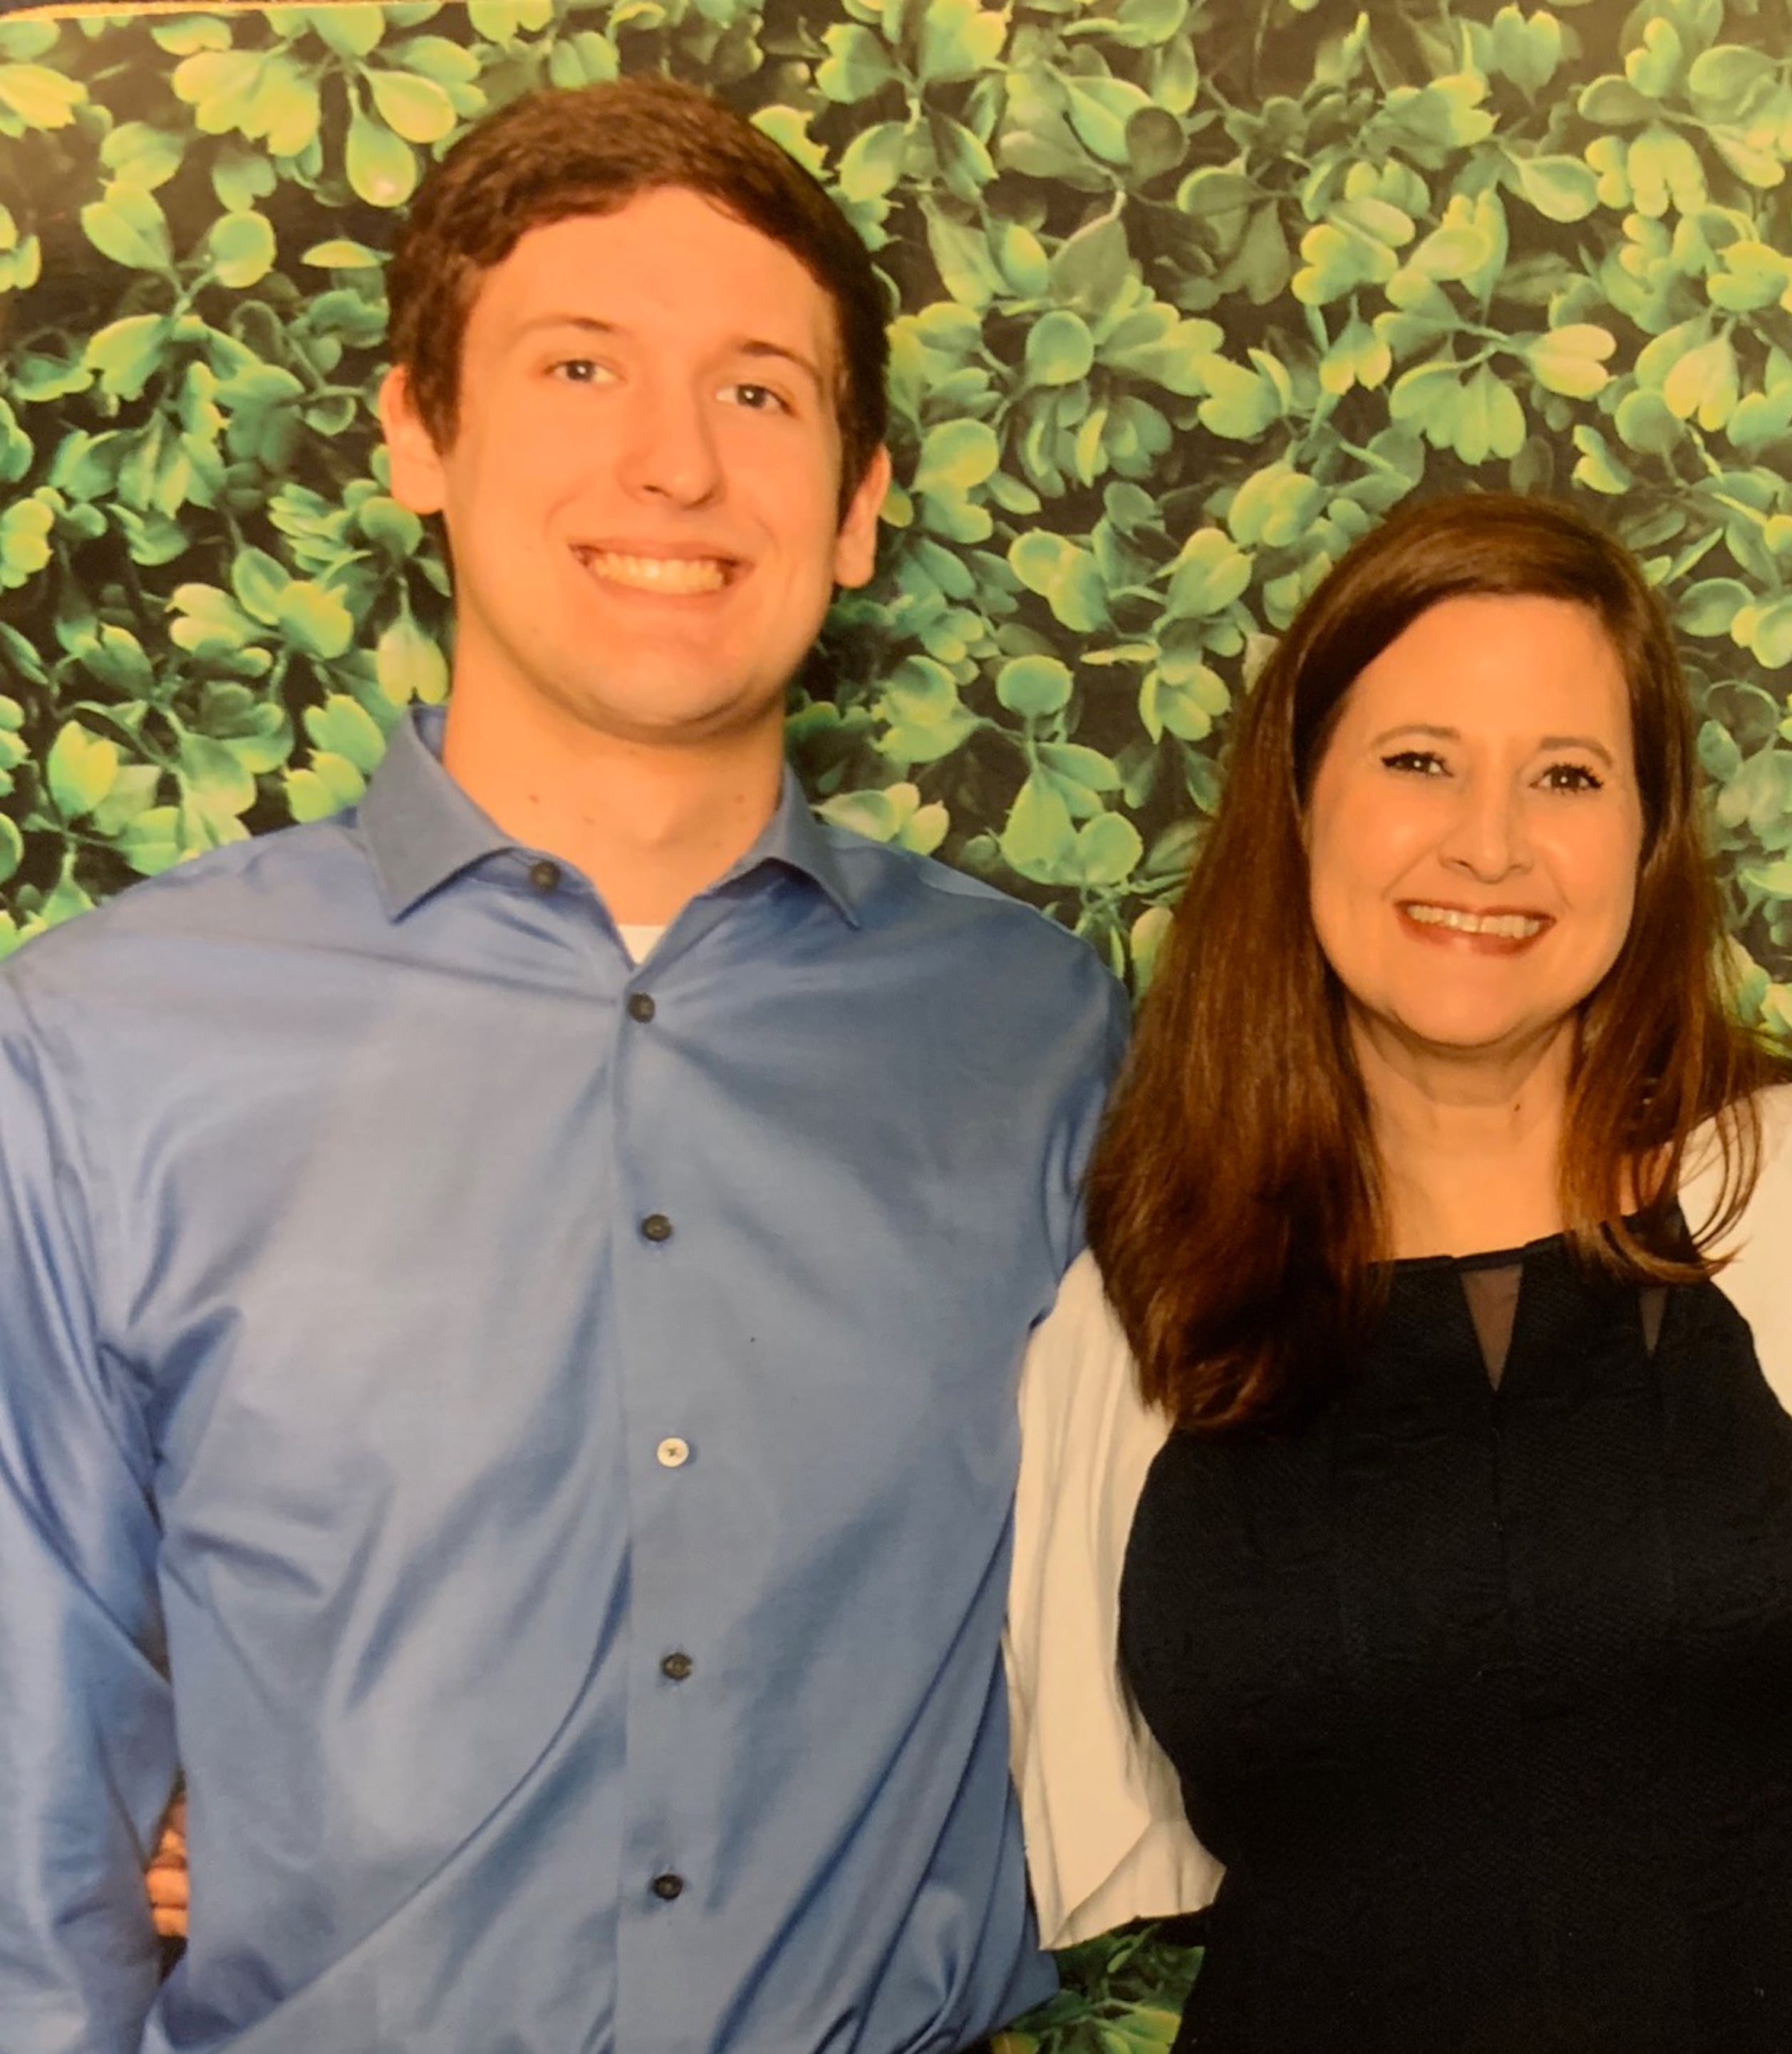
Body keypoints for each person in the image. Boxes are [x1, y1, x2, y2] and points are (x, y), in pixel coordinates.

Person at [0, 78, 1121, 2053]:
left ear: (861, 502)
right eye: (581, 366)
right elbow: (31, 1835)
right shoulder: (98, 1051)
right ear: (418, 433)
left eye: (758, 390)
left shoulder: (1038, 1041)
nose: (673, 463)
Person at [1003, 493, 1792, 2051]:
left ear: (1650, 834)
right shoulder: (1143, 1308)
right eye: (1420, 761)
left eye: (1567, 775)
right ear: (1298, 801)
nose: (1489, 843)